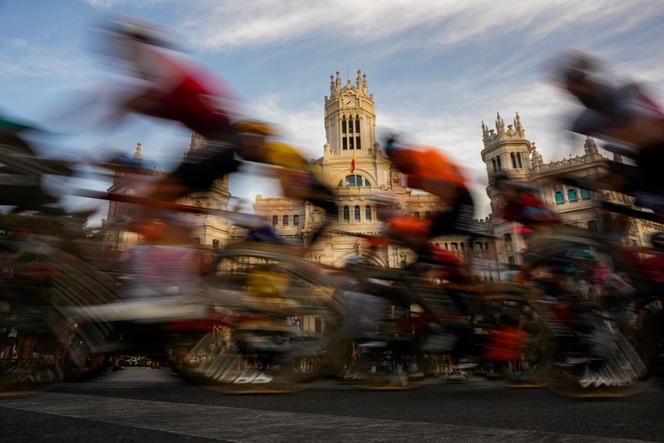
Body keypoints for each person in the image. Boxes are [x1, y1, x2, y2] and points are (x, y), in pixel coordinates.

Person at [554, 51, 664, 202]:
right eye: (572, 86)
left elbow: (645, 130)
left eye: (580, 81)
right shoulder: (584, 119)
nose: (577, 90)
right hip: (645, 164)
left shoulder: (627, 92)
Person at [381, 136, 475, 262]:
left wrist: (432, 218)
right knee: (422, 235)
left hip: (462, 203)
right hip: (455, 201)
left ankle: (460, 271)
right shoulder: (412, 176)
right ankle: (425, 263)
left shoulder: (422, 163)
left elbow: (448, 193)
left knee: (427, 233)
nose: (393, 165)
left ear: (400, 156)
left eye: (393, 159)